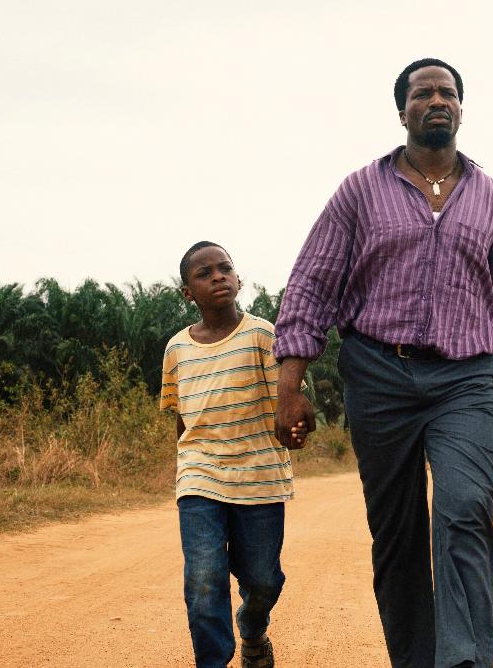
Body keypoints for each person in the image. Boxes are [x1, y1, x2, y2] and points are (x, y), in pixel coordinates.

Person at [272, 58, 493, 668]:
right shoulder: (359, 191)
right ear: (401, 109)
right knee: (399, 535)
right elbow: (311, 286)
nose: (437, 100)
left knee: (463, 512)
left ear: (462, 107)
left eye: (448, 92)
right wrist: (290, 386)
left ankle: (462, 661)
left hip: (466, 379)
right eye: (423, 92)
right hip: (378, 377)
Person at [160, 241, 293, 668]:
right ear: (187, 292)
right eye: (204, 273)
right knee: (203, 578)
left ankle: (253, 630)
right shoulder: (176, 349)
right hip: (199, 476)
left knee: (263, 580)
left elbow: (286, 405)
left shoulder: (263, 335)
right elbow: (181, 419)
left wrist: (295, 429)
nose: (218, 276)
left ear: (237, 279)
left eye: (225, 268)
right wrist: (188, 466)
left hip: (260, 478)